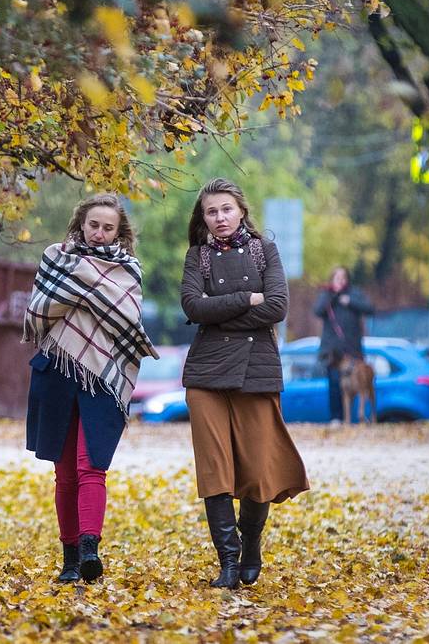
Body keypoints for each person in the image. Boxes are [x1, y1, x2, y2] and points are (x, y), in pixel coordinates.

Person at [179, 178, 309, 589]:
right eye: (211, 212)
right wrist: (245, 300)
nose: (220, 218)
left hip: (257, 370)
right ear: (203, 218)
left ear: (241, 211)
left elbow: (277, 307)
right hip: (206, 374)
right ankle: (229, 562)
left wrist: (218, 313)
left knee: (258, 470)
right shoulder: (196, 256)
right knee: (214, 469)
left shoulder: (263, 250)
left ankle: (251, 541)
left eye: (226, 210)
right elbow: (191, 306)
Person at [23, 193, 159, 583]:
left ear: (120, 231)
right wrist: (88, 295)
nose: (99, 233)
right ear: (81, 223)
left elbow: (128, 321)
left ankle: (89, 551)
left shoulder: (128, 270)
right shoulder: (56, 258)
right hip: (57, 372)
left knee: (92, 467)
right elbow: (38, 311)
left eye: (108, 227)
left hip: (104, 375)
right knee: (64, 473)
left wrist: (82, 297)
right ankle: (68, 560)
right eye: (94, 225)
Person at [313, 266, 375, 420]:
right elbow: (318, 311)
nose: (340, 280)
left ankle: (356, 416)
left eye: (343, 277)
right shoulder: (326, 295)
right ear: (332, 279)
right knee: (335, 384)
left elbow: (370, 309)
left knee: (357, 384)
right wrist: (333, 296)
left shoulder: (355, 294)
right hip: (333, 352)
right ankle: (337, 418)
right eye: (337, 277)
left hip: (353, 350)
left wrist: (350, 302)